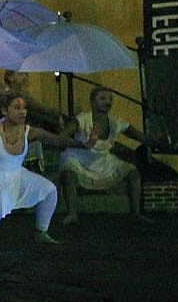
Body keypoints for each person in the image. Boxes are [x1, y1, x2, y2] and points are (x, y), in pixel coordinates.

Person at [0, 95, 84, 247]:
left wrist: (84, 144)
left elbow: (57, 140)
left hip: (16, 174)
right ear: (4, 110)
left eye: (24, 108)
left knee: (49, 190)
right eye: (17, 108)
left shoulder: (29, 131)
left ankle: (41, 232)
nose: (22, 112)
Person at [59, 86, 150, 224]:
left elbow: (138, 136)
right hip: (79, 159)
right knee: (69, 175)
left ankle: (135, 213)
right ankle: (72, 214)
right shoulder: (83, 119)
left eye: (110, 99)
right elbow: (63, 135)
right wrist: (71, 136)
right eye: (102, 99)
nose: (107, 102)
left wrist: (158, 143)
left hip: (104, 161)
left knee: (133, 173)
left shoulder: (115, 122)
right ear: (92, 102)